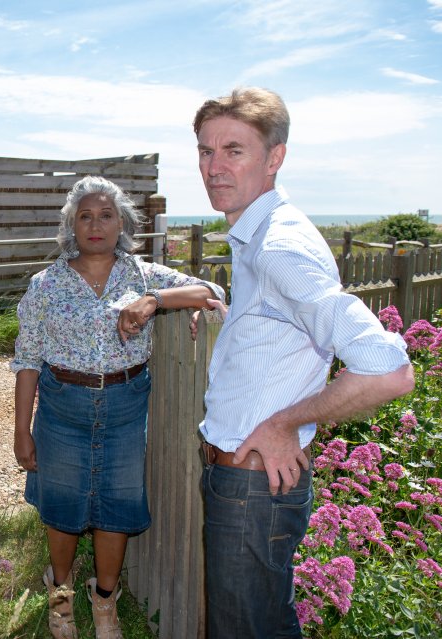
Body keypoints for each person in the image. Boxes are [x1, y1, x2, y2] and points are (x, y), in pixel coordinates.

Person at [190, 87, 414, 638]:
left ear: (274, 157)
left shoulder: (278, 247)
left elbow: (389, 370)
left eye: (233, 151)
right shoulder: (259, 234)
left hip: (251, 488)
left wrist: (287, 422)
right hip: (246, 483)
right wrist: (230, 315)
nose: (213, 167)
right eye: (204, 150)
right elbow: (282, 326)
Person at [12, 175, 225, 639]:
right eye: (84, 216)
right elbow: (27, 359)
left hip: (126, 408)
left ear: (122, 223)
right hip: (62, 408)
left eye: (105, 215)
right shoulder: (45, 285)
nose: (95, 224)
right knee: (62, 507)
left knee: (116, 506)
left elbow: (212, 291)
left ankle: (105, 602)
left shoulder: (143, 275)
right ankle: (61, 597)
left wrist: (158, 300)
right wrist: (21, 429)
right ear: (71, 225)